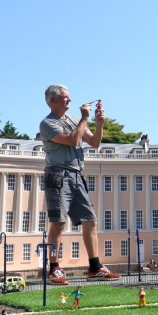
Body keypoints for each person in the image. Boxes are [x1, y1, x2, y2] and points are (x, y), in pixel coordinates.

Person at [40, 84, 119, 282]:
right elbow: (73, 140)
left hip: (76, 175)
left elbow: (94, 143)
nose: (70, 100)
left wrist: (99, 123)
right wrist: (85, 118)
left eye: (69, 96)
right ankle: (54, 269)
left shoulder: (74, 120)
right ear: (53, 101)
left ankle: (95, 267)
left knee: (90, 221)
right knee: (58, 223)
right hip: (57, 175)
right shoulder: (47, 123)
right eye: (65, 97)